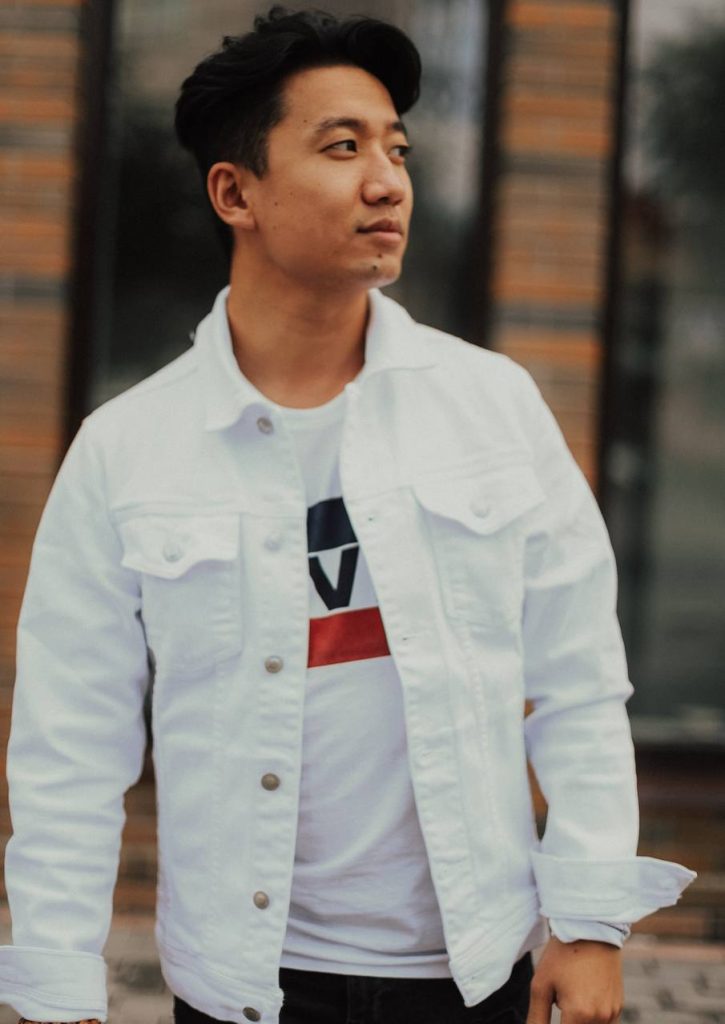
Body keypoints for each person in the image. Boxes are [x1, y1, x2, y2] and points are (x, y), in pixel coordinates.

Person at [0, 6, 695, 1024]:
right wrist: (57, 990)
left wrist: (588, 923)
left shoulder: (490, 405)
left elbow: (577, 679)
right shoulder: (128, 448)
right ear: (235, 192)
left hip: (472, 972)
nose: (387, 180)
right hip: (245, 984)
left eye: (395, 149)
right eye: (341, 146)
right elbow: (70, 745)